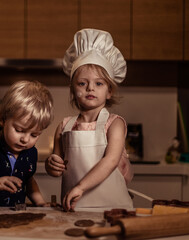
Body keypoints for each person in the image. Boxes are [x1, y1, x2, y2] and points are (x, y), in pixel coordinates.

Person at [45, 28, 133, 211]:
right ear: (73, 90)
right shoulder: (64, 127)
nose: (90, 88)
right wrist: (51, 165)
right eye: (82, 83)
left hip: (113, 209)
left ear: (109, 91)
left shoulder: (114, 124)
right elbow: (57, 167)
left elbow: (110, 161)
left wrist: (80, 187)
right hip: (74, 208)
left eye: (99, 83)